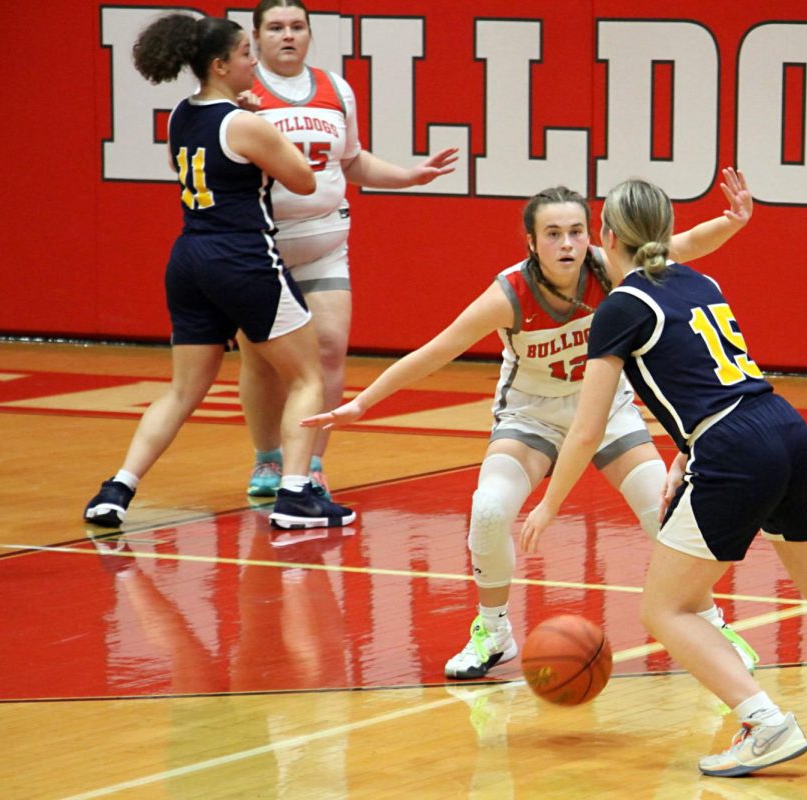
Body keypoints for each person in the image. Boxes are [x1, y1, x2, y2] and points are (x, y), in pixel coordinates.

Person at [519, 178, 807, 777]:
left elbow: (587, 432)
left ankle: (764, 723)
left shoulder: (620, 307)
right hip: (783, 427)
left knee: (666, 609)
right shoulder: (701, 281)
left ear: (606, 238)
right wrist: (685, 452)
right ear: (664, 233)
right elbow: (704, 378)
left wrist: (548, 505)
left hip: (735, 448)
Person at [302, 170, 761, 679]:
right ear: (531, 242)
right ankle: (493, 631)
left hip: (605, 413)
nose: (567, 244)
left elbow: (685, 243)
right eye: (553, 234)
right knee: (490, 509)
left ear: (595, 235)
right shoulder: (511, 294)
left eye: (575, 232)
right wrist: (362, 402)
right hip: (531, 417)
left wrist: (733, 221)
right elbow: (438, 349)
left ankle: (708, 623)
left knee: (667, 516)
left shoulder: (612, 268)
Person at [84, 12, 355, 532]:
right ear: (220, 64)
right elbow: (302, 179)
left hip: (188, 257)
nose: (255, 61)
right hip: (243, 255)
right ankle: (297, 494)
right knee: (307, 377)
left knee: (183, 391)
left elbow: (187, 164)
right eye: (246, 54)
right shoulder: (246, 122)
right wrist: (265, 127)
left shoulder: (181, 115)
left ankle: (117, 489)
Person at [237, 0, 458, 502]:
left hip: (325, 247)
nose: (287, 36)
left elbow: (353, 161)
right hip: (259, 248)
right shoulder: (240, 94)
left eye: (297, 27)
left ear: (310, 34)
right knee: (261, 362)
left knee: (331, 349)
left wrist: (409, 175)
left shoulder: (336, 89)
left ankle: (311, 461)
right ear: (255, 37)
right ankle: (268, 457)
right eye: (275, 28)